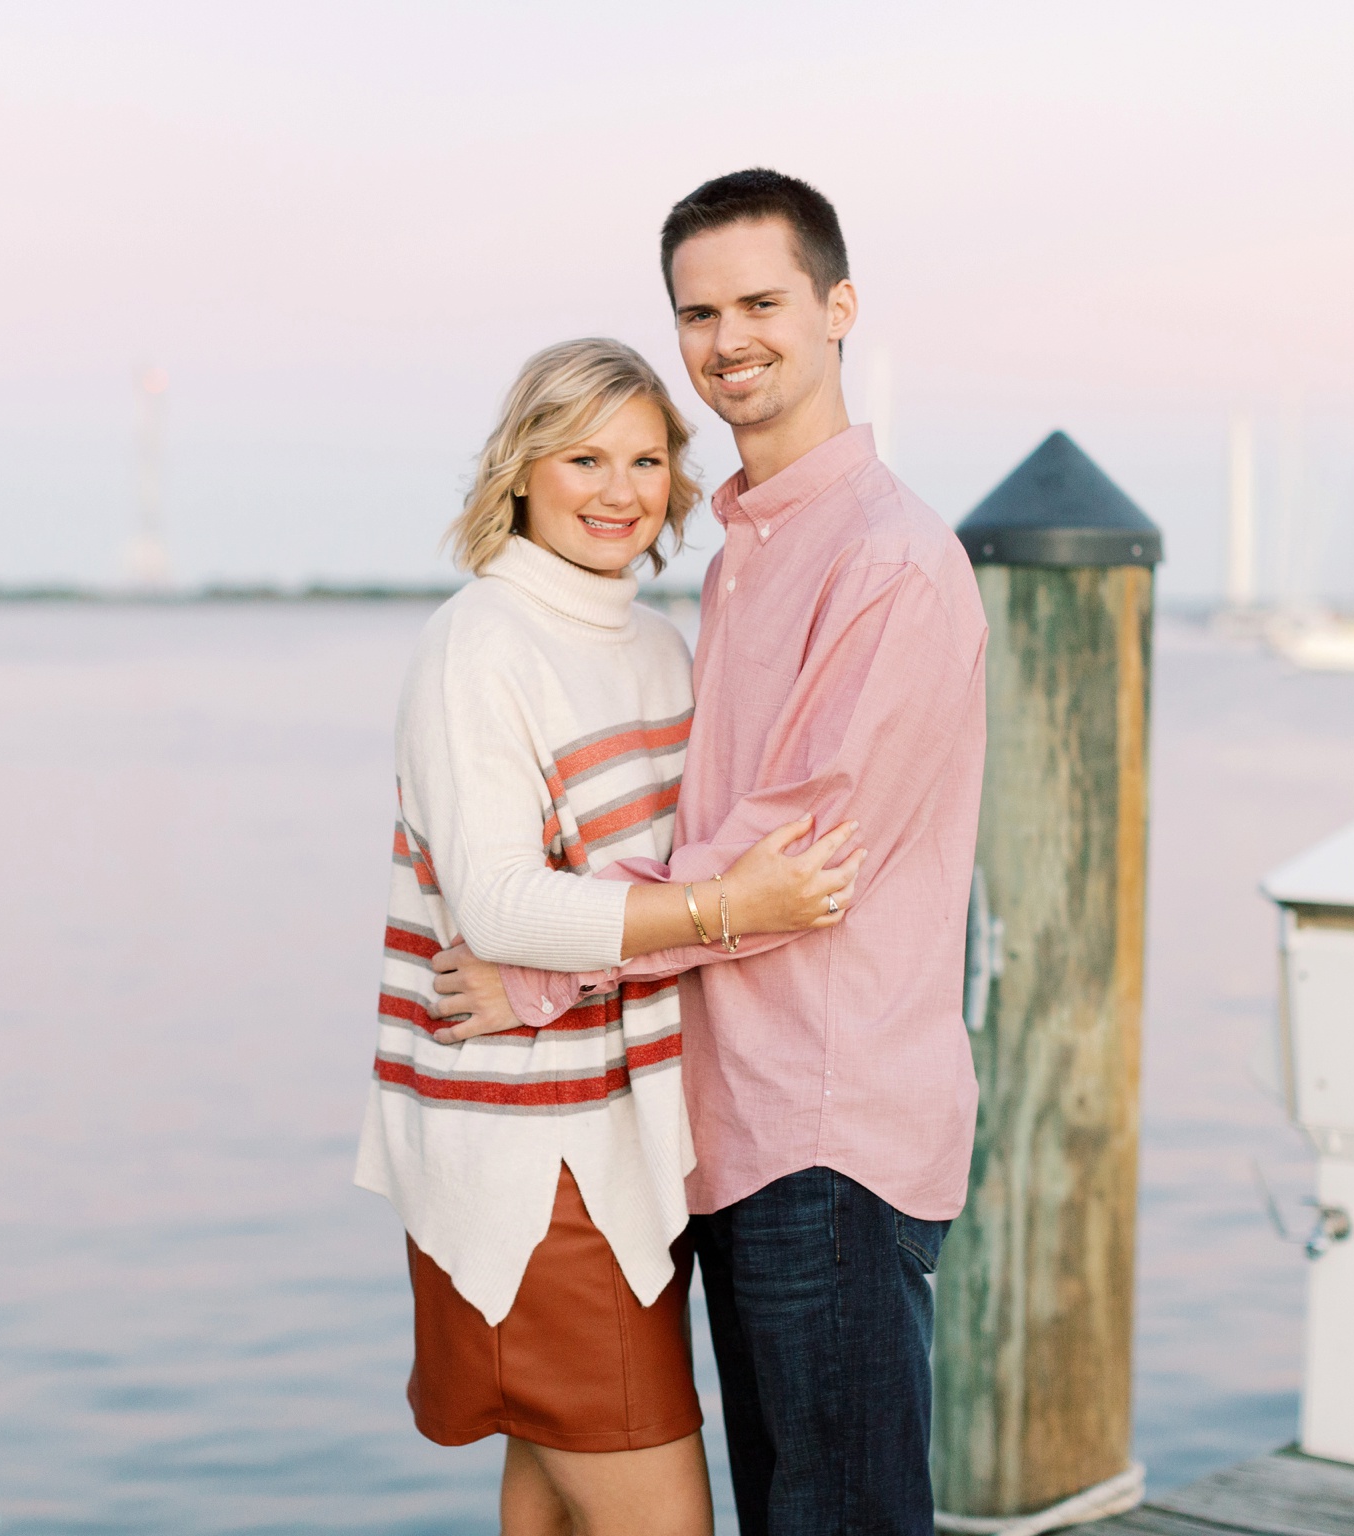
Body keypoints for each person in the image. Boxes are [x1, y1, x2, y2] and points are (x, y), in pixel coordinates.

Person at [430, 171, 990, 1536]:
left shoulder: (890, 564)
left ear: (838, 307)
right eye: (699, 312)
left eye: (761, 302)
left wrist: (543, 976)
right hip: (729, 1126)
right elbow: (702, 842)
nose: (729, 338)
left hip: (826, 1133)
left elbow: (784, 861)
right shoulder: (749, 544)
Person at [354, 336, 866, 1536]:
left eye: (645, 458)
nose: (618, 488)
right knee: (651, 1503)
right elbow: (499, 905)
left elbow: (655, 874)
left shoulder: (654, 647)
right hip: (534, 1165)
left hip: (623, 1136)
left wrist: (667, 917)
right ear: (522, 466)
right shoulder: (478, 642)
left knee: (549, 1488)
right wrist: (737, 910)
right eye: (583, 455)